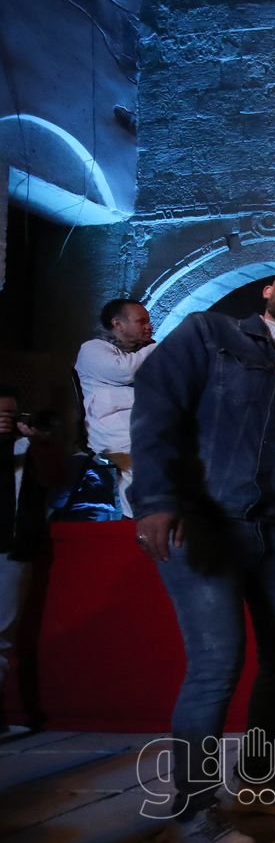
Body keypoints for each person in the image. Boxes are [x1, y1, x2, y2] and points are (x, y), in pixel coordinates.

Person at [130, 266, 275, 843]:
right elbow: (157, 408)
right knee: (217, 664)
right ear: (268, 291)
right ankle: (192, 812)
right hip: (203, 522)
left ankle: (255, 781)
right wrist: (155, 499)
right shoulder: (210, 334)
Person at [1, 388, 66, 723]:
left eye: (11, 414)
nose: (7, 420)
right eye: (1, 414)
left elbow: (56, 479)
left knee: (1, 637)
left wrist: (39, 441)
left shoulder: (27, 447)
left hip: (14, 549)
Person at [75, 299, 156, 517]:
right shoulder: (92, 349)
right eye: (141, 321)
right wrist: (158, 349)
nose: (149, 327)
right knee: (144, 463)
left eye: (148, 321)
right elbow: (124, 372)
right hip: (111, 429)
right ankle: (138, 521)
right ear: (118, 324)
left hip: (146, 424)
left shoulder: (145, 353)